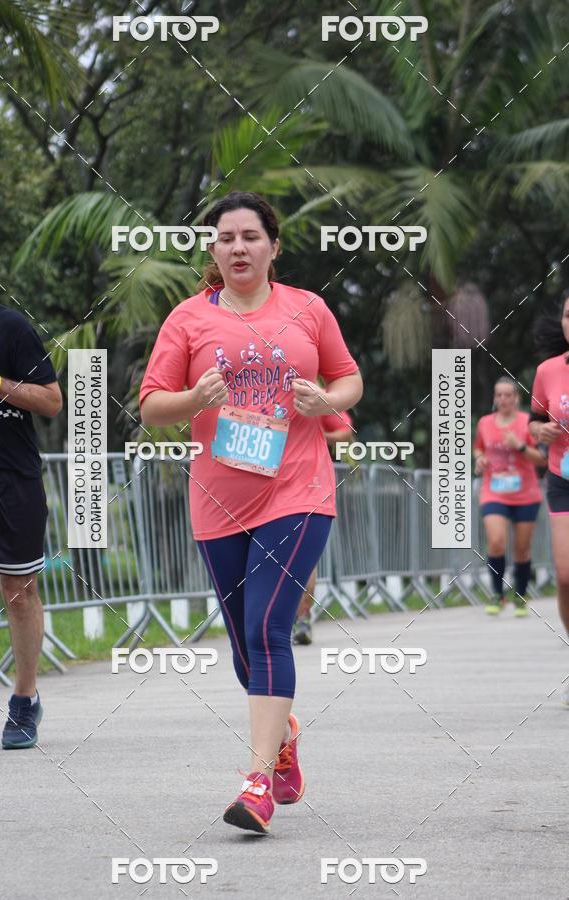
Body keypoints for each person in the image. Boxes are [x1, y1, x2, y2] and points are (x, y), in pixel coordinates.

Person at [140, 191, 362, 833]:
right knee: (244, 645)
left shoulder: (308, 310)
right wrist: (192, 398)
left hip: (298, 489)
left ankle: (258, 782)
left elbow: (349, 380)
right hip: (218, 499)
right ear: (212, 249)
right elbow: (152, 404)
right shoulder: (187, 319)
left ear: (273, 246)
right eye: (226, 238)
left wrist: (326, 400)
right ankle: (282, 735)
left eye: (250, 236)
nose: (238, 247)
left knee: (268, 628)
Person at [0, 230, 62, 750]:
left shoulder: (9, 327)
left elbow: (51, 401)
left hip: (13, 478)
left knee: (19, 593)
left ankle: (25, 699)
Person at [473, 376, 546, 616]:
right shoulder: (485, 422)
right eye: (499, 395)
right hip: (494, 491)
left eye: (508, 395)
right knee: (495, 541)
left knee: (521, 549)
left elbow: (542, 459)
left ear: (516, 398)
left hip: (526, 493)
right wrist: (479, 460)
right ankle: (497, 594)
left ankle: (521, 594)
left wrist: (520, 446)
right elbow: (479, 447)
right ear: (495, 398)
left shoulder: (528, 423)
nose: (503, 399)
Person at [530, 289, 569, 707]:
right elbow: (535, 420)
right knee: (565, 574)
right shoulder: (548, 371)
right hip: (563, 476)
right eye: (567, 316)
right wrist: (539, 432)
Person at [292, 410, 354, 645]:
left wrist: (316, 435)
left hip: (308, 488)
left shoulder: (311, 395)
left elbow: (345, 431)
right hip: (264, 489)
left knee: (305, 559)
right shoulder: (252, 388)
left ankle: (302, 618)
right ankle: (275, 620)